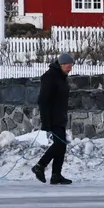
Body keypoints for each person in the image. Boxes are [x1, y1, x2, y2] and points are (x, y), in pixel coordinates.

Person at [33, 53, 75, 185]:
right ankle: (40, 166)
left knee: (61, 147)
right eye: (68, 66)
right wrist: (46, 123)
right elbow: (43, 101)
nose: (70, 69)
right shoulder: (50, 77)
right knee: (59, 144)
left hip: (60, 116)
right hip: (52, 117)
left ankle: (56, 175)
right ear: (62, 65)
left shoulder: (61, 77)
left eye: (71, 66)